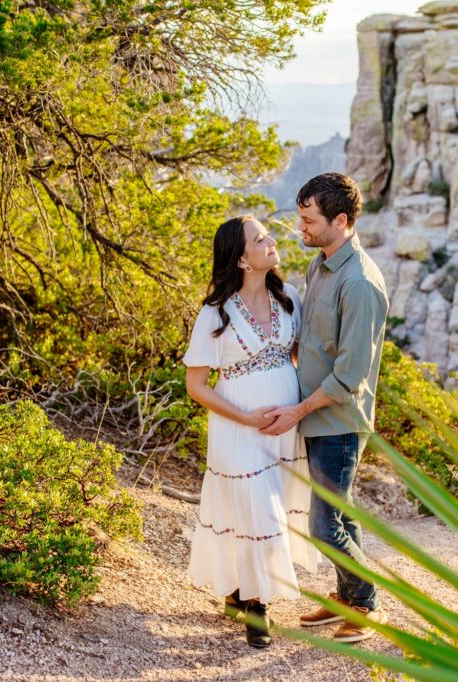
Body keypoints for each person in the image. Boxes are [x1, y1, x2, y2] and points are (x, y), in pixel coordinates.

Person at [261, 173, 390, 644]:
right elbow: (311, 341)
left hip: (336, 421)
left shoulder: (359, 284)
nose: (301, 227)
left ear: (341, 220)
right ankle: (347, 598)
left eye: (309, 219)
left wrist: (296, 411)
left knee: (322, 524)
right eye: (300, 216)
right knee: (343, 513)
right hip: (315, 415)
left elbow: (348, 376)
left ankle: (367, 601)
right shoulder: (321, 264)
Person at [183, 215, 319, 649]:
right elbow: (196, 386)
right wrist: (244, 417)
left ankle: (239, 591)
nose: (272, 240)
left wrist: (298, 411)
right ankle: (258, 608)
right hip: (237, 428)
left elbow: (300, 358)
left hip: (283, 427)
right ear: (241, 259)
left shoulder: (290, 298)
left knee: (265, 509)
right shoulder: (213, 314)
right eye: (261, 238)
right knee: (256, 510)